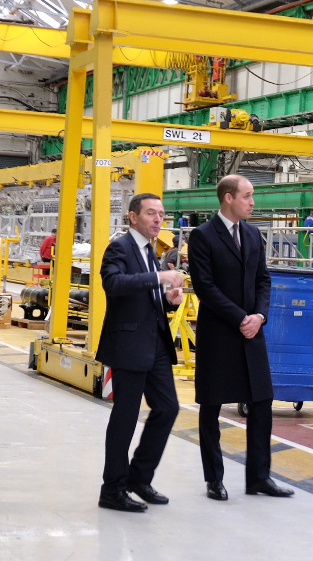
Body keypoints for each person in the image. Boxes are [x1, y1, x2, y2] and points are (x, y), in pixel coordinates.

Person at [188, 175, 294, 500]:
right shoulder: (202, 236)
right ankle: (214, 479)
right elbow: (205, 287)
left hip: (251, 333)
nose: (253, 202)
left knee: (262, 402)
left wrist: (259, 317)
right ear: (228, 198)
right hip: (220, 334)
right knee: (211, 406)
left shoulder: (252, 233)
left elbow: (264, 279)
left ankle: (259, 478)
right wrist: (240, 318)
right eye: (247, 196)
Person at [96, 193, 185, 512]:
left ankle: (139, 477)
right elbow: (115, 284)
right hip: (129, 344)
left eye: (161, 214)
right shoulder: (120, 247)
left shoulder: (151, 251)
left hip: (156, 343)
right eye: (151, 213)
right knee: (126, 418)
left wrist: (166, 298)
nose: (158, 219)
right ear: (133, 217)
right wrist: (159, 277)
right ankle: (112, 489)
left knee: (168, 408)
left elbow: (145, 295)